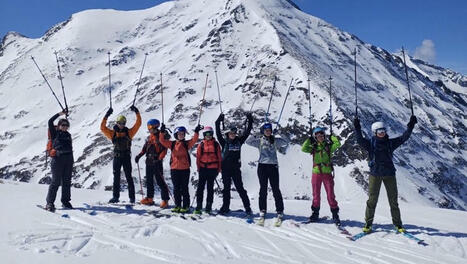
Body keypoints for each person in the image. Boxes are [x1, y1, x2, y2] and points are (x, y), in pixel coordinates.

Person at [354, 115, 417, 233]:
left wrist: (411, 126)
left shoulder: (390, 143)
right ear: (375, 132)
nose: (382, 133)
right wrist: (357, 127)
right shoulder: (370, 144)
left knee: (393, 201)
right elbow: (359, 139)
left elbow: (404, 138)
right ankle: (368, 224)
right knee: (372, 200)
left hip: (389, 174)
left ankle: (398, 224)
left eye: (383, 131)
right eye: (379, 131)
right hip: (375, 175)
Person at [247, 123, 288, 220]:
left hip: (273, 166)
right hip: (262, 167)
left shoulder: (275, 141)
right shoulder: (260, 141)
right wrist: (255, 135)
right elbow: (248, 142)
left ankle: (280, 210)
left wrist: (280, 133)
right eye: (266, 130)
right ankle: (262, 210)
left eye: (269, 130)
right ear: (263, 131)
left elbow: (287, 141)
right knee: (263, 189)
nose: (268, 131)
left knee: (276, 189)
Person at [101, 106, 142, 204]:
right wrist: (106, 115)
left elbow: (138, 124)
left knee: (129, 177)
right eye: (120, 123)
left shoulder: (129, 133)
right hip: (117, 157)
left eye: (123, 123)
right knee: (116, 177)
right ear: (117, 123)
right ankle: (116, 197)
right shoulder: (113, 133)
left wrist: (137, 112)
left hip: (126, 157)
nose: (122, 125)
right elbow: (102, 128)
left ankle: (132, 198)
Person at [215, 112, 253, 215]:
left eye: (234, 133)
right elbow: (217, 130)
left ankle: (247, 207)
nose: (233, 135)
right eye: (231, 133)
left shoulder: (239, 141)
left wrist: (250, 120)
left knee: (240, 188)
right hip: (225, 169)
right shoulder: (224, 142)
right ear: (228, 134)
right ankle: (225, 207)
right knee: (226, 189)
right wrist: (219, 120)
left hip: (236, 169)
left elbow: (247, 132)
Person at [301, 126, 341, 224]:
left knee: (330, 195)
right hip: (316, 173)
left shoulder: (328, 146)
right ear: (315, 136)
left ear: (324, 135)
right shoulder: (313, 147)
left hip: (327, 173)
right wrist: (308, 140)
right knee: (316, 195)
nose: (320, 136)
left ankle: (335, 215)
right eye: (318, 135)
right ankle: (315, 214)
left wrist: (333, 137)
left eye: (322, 134)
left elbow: (337, 144)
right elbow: (303, 148)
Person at [159, 123, 201, 213]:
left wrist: (196, 132)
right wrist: (162, 132)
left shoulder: (187, 144)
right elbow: (162, 141)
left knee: (184, 188)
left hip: (185, 170)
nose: (181, 135)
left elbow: (194, 139)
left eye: (183, 134)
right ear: (176, 135)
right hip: (174, 169)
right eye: (179, 134)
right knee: (176, 188)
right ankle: (178, 205)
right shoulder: (172, 144)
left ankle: (185, 206)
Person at [135, 119, 170, 208]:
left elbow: (164, 150)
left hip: (157, 162)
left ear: (155, 126)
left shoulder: (161, 136)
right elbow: (145, 148)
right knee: (149, 181)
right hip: (149, 161)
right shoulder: (150, 137)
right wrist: (139, 156)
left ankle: (165, 200)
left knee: (160, 181)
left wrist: (158, 159)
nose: (149, 128)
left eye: (150, 126)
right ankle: (149, 198)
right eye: (148, 126)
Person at [45, 110, 74, 212]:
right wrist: (60, 114)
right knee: (55, 182)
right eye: (63, 125)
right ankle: (50, 203)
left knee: (66, 182)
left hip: (68, 160)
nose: (65, 127)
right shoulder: (54, 133)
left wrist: (71, 161)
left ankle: (65, 201)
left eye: (66, 125)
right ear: (59, 125)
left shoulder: (68, 135)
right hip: (57, 160)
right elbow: (49, 121)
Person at [194, 126, 222, 214]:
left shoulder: (216, 144)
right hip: (203, 168)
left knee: (210, 188)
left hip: (212, 169)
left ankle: (208, 206)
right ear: (204, 135)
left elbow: (219, 157)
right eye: (206, 134)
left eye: (210, 134)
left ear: (212, 134)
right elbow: (198, 157)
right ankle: (199, 205)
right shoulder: (201, 144)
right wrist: (198, 168)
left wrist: (219, 169)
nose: (208, 136)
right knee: (200, 188)